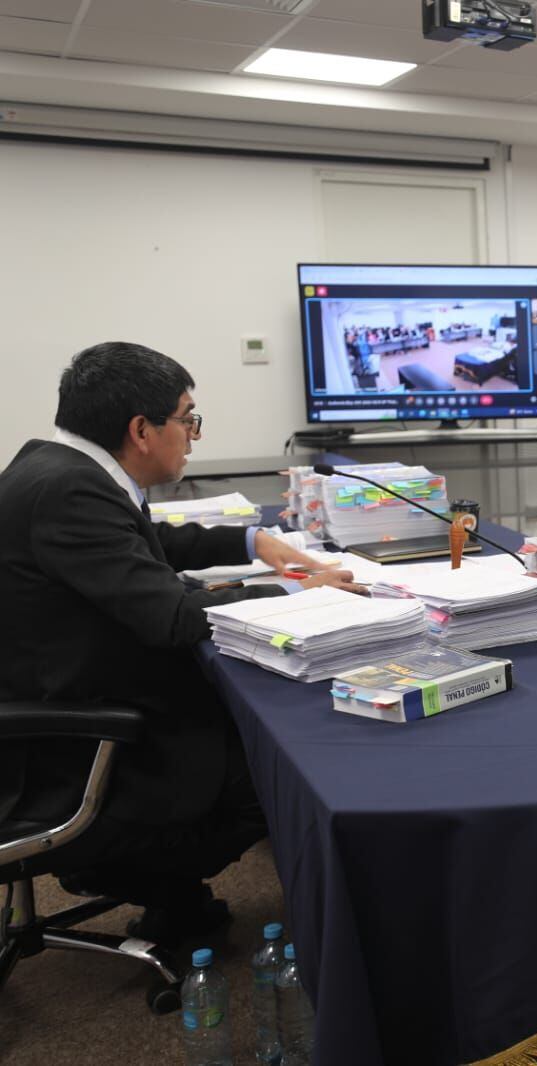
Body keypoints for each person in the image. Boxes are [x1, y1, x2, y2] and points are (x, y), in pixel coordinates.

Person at [0, 342, 359, 940]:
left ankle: (159, 886)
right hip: (75, 750)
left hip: (59, 696)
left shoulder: (57, 468)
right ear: (141, 430)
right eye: (187, 420)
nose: (194, 436)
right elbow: (173, 617)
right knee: (282, 756)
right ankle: (136, 872)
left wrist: (252, 542)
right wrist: (299, 593)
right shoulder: (71, 492)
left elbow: (141, 545)